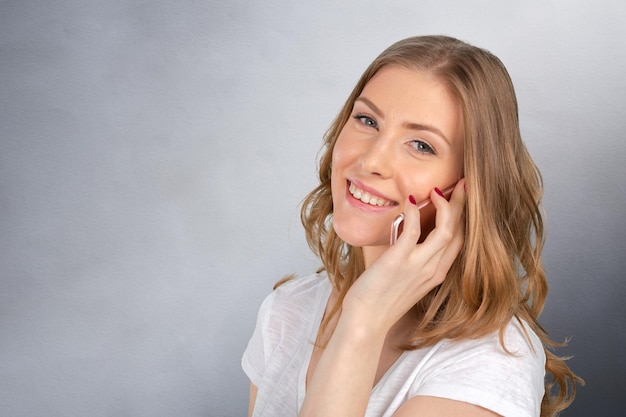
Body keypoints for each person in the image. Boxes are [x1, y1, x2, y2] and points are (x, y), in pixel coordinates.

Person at [242, 35, 583, 417]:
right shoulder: (287, 311)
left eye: (421, 145)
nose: (371, 160)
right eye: (367, 120)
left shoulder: (489, 364)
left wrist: (363, 321)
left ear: (468, 186)